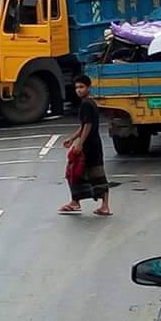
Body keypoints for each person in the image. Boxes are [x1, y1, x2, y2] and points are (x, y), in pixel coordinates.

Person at [59, 75, 112, 216]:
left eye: (81, 87)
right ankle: (75, 202)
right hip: (89, 143)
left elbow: (88, 126)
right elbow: (83, 126)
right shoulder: (87, 103)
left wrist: (80, 144)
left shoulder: (87, 104)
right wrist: (72, 138)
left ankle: (104, 206)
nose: (79, 90)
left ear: (89, 88)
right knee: (76, 173)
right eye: (77, 87)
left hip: (91, 145)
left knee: (97, 175)